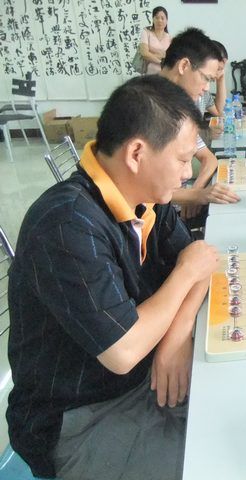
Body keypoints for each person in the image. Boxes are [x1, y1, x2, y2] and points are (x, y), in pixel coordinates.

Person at [7, 75, 221, 480]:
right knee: (217, 465)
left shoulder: (146, 198)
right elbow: (123, 350)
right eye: (181, 160)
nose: (187, 173)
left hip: (144, 372)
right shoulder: (67, 223)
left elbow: (201, 263)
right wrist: (185, 274)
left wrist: (176, 336)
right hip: (81, 418)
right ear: (137, 153)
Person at [159, 28, 240, 225]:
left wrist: (196, 191)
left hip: (169, 208)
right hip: (153, 216)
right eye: (206, 78)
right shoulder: (149, 106)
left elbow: (209, 158)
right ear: (184, 66)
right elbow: (145, 186)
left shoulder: (179, 106)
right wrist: (195, 195)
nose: (206, 89)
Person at [139, 6, 172, 75]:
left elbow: (170, 57)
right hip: (151, 74)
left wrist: (151, 52)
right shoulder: (146, 32)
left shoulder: (169, 37)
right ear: (153, 19)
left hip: (165, 74)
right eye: (157, 18)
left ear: (166, 20)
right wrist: (161, 61)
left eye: (162, 18)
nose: (159, 20)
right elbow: (144, 53)